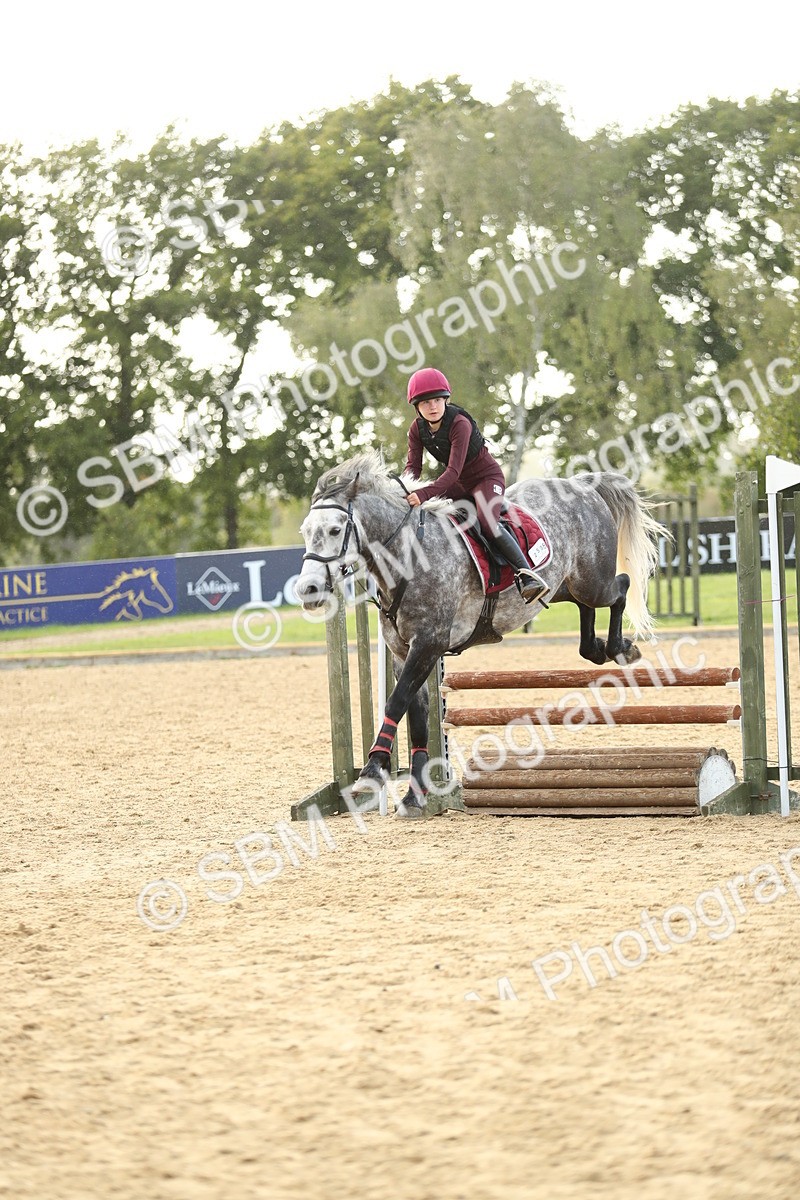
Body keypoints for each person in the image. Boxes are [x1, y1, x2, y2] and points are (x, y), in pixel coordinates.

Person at [403, 366, 548, 605]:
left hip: (486, 479)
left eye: (437, 400)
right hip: (459, 484)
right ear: (417, 407)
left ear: (446, 400)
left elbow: (453, 471)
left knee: (487, 523)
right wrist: (404, 491)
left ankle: (528, 576)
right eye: (426, 402)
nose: (433, 407)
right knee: (430, 515)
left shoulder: (459, 423)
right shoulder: (416, 430)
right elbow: (413, 469)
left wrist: (424, 493)